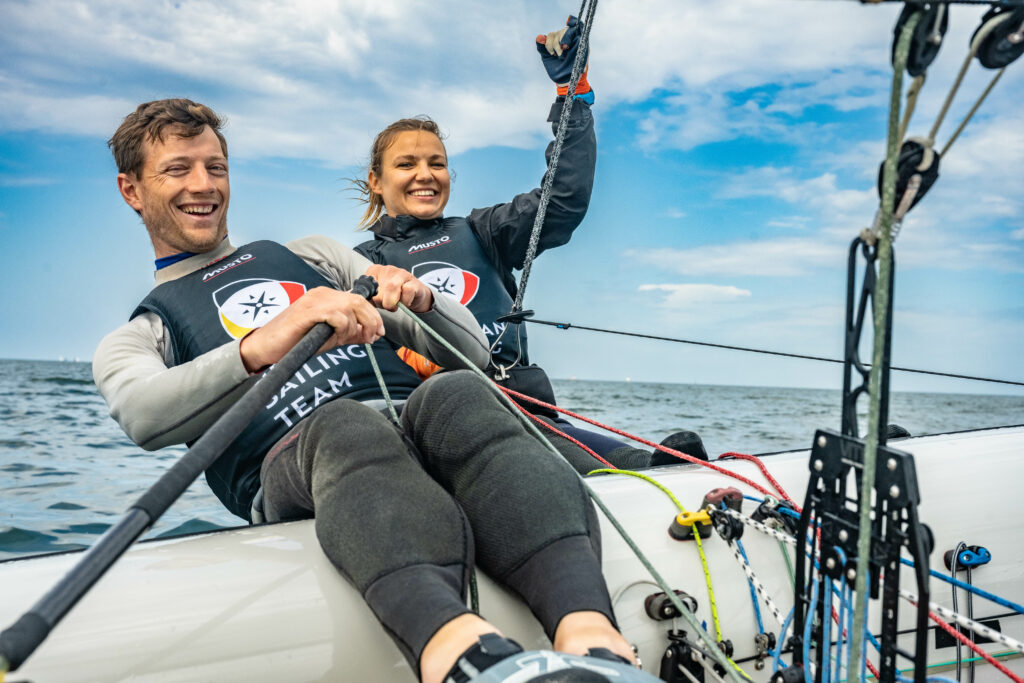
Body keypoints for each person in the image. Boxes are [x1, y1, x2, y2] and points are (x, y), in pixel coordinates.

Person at [93, 98, 647, 683]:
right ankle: (463, 657)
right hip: (302, 463)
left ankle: (595, 641)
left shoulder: (315, 257)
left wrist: (422, 299)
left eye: (216, 167)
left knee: (457, 392)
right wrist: (263, 343)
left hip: (411, 426)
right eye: (178, 170)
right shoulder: (141, 332)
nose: (203, 185)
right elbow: (142, 413)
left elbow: (474, 355)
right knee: (344, 424)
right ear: (133, 190)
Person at [352, 17, 657, 471]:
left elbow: (564, 199)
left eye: (437, 163)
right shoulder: (360, 265)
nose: (425, 175)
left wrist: (572, 97)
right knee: (616, 466)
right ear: (376, 181)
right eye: (406, 164)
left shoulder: (484, 231)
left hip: (527, 411)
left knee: (659, 460)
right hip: (446, 428)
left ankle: (655, 468)